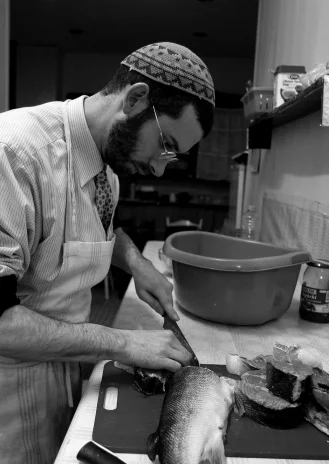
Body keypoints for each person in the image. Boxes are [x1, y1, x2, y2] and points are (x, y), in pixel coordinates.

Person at [0, 42, 215, 463]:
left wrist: (137, 265)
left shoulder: (106, 168)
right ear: (135, 99)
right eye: (165, 145)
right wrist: (123, 342)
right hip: (10, 391)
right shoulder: (16, 154)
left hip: (64, 366)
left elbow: (97, 227)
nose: (158, 168)